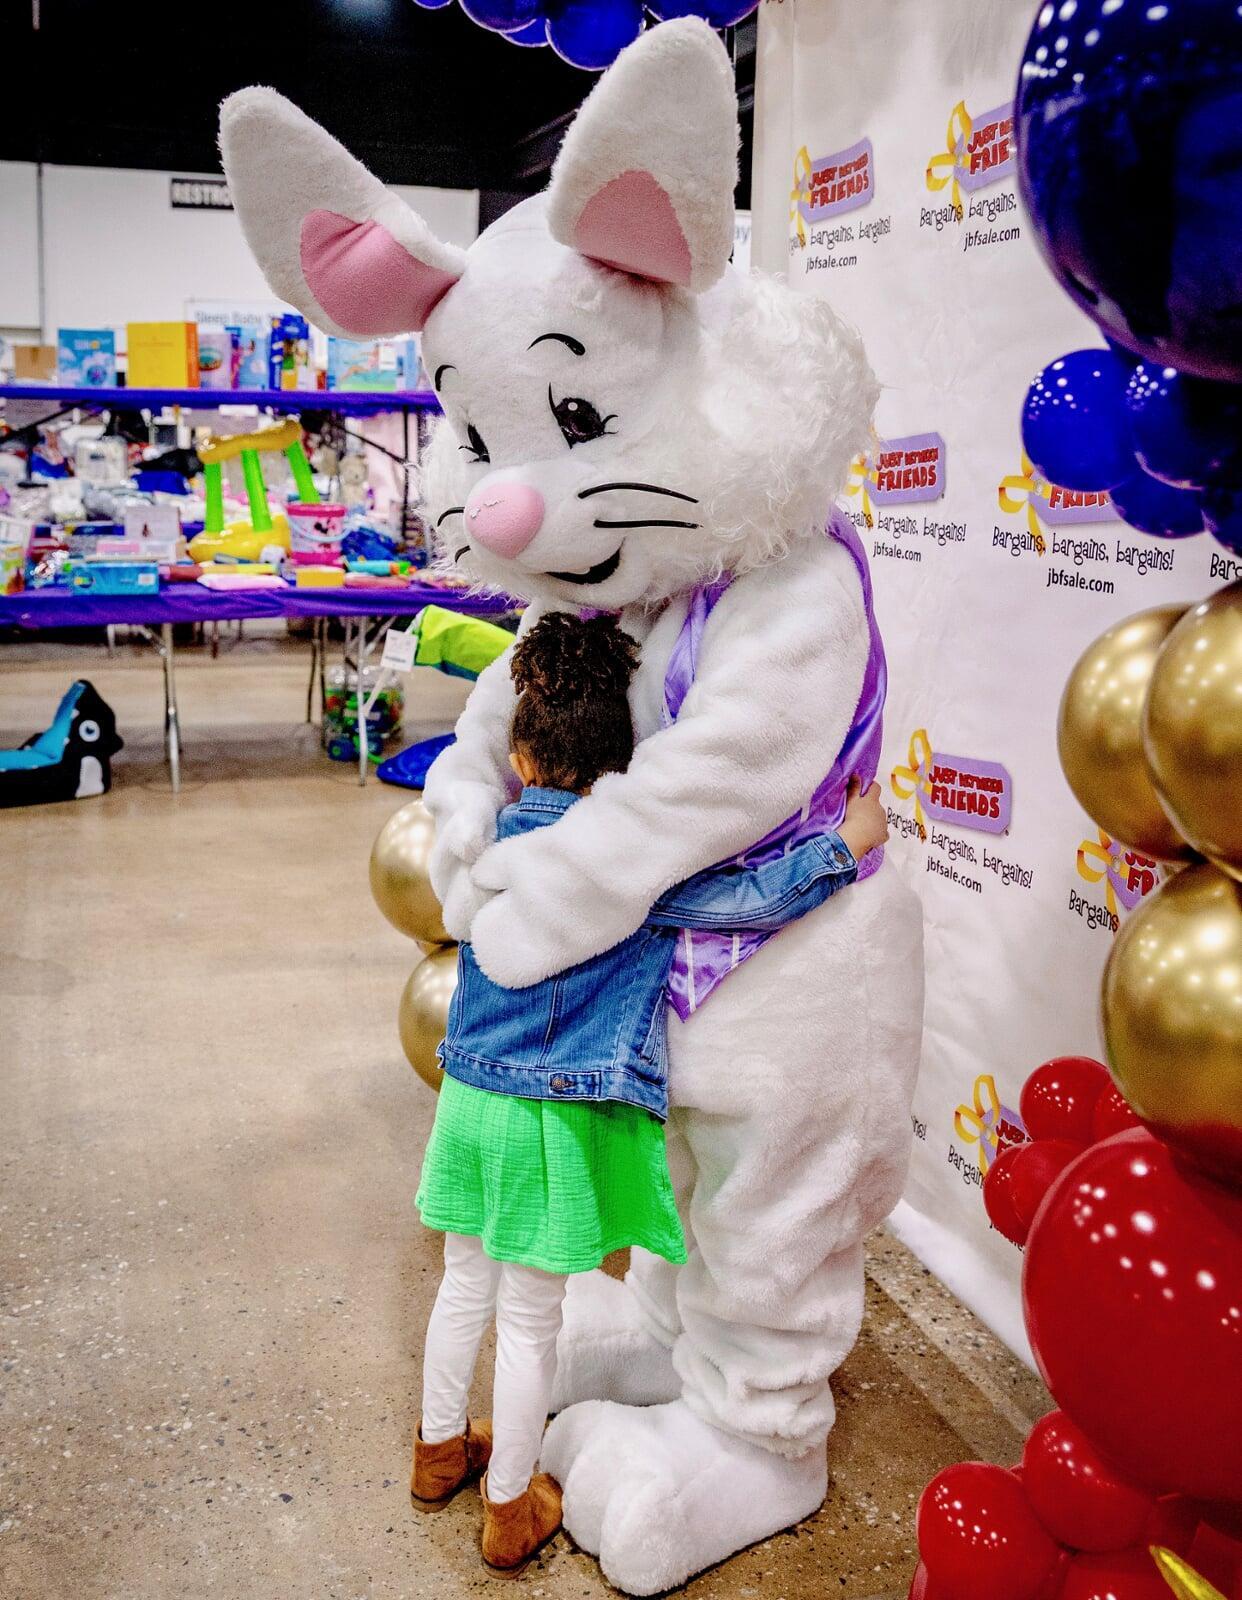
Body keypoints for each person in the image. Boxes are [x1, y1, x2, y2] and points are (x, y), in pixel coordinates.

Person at [410, 613, 889, 1576]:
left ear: (519, 750)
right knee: (533, 1314)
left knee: (464, 1280)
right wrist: (845, 842)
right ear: (627, 759)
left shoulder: (485, 840)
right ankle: (509, 1504)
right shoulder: (618, 866)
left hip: (466, 1104)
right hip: (554, 1119)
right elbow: (743, 900)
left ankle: (434, 1455)